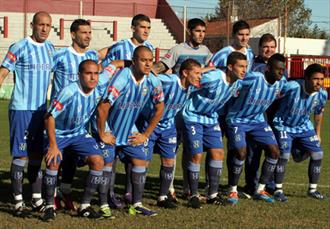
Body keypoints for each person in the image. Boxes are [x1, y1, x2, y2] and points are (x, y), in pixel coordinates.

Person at [42, 60, 117, 221]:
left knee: (98, 161)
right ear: (79, 75)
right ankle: (49, 206)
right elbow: (49, 117)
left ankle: (85, 206)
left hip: (78, 134)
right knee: (53, 160)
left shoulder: (100, 86)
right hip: (60, 133)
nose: (93, 77)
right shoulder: (69, 91)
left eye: (96, 73)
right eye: (88, 73)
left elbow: (102, 109)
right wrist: (53, 145)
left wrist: (102, 133)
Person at [97, 46, 164, 216]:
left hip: (129, 131)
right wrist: (102, 132)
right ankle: (103, 205)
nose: (148, 64)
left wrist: (146, 134)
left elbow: (160, 108)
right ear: (134, 62)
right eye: (143, 60)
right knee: (106, 164)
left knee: (141, 159)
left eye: (150, 60)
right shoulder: (122, 79)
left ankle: (137, 204)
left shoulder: (153, 81)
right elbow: (103, 108)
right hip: (110, 129)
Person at [0, 11, 54, 217]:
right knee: (21, 154)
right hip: (22, 108)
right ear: (32, 25)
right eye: (40, 24)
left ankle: (37, 198)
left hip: (41, 110)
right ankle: (17, 202)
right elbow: (3, 71)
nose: (44, 29)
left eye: (48, 25)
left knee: (37, 155)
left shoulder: (50, 49)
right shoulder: (19, 47)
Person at [153, 18, 213, 201]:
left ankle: (188, 187)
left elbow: (208, 72)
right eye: (197, 31)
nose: (201, 34)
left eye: (203, 31)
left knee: (191, 147)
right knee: (174, 145)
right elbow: (162, 67)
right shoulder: (178, 50)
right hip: (176, 104)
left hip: (193, 106)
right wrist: (148, 72)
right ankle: (169, 188)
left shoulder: (206, 52)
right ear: (189, 32)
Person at [98, 14, 154, 208]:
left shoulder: (150, 48)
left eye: (148, 27)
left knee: (135, 153)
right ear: (133, 28)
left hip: (136, 111)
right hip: (115, 105)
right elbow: (108, 66)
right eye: (142, 27)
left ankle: (130, 193)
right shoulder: (120, 46)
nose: (146, 30)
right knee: (111, 153)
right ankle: (109, 193)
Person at [181, 52, 247, 208]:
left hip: (211, 119)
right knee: (196, 154)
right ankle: (193, 195)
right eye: (241, 67)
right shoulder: (214, 77)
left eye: (246, 67)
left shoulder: (237, 83)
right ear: (230, 67)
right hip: (192, 116)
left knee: (218, 153)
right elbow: (191, 82)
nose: (244, 70)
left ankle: (213, 195)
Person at [138, 59, 202, 209]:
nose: (200, 77)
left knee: (168, 161)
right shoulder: (170, 81)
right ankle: (135, 198)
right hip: (150, 124)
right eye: (197, 73)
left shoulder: (191, 87)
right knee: (143, 161)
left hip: (168, 126)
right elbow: (150, 77)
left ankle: (162, 197)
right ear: (185, 73)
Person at [225, 53, 287, 205]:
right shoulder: (254, 77)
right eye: (278, 69)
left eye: (283, 70)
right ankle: (232, 190)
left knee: (274, 151)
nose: (281, 72)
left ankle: (260, 189)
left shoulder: (282, 82)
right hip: (237, 120)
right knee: (241, 153)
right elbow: (232, 81)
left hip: (258, 121)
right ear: (268, 68)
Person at [51, 18, 99, 211]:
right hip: (59, 117)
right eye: (84, 32)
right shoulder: (61, 55)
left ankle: (66, 191)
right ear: (73, 34)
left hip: (81, 119)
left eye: (89, 32)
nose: (88, 36)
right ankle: (51, 195)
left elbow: (106, 60)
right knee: (55, 158)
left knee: (71, 158)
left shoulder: (93, 56)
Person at [272, 63, 327, 202]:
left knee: (318, 153)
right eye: (315, 79)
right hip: (284, 125)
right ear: (307, 78)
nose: (319, 82)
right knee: (284, 155)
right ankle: (278, 190)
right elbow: (274, 95)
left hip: (304, 126)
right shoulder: (292, 86)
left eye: (321, 79)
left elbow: (319, 113)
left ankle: (312, 190)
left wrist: (317, 133)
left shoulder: (322, 94)